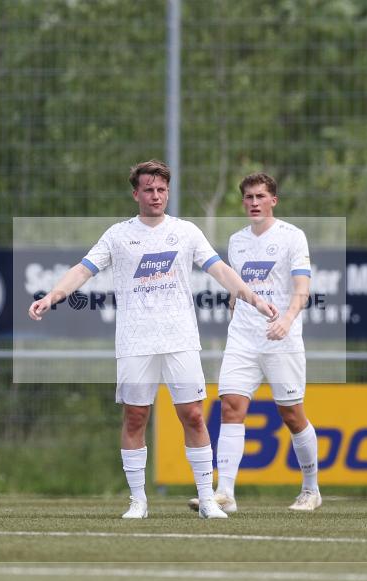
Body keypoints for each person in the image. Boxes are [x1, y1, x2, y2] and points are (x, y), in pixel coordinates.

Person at [29, 160, 278, 519]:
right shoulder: (118, 235)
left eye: (162, 189)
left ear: (168, 192)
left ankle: (207, 499)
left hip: (179, 338)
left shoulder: (186, 232)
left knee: (193, 415)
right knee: (135, 417)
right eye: (149, 189)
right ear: (136, 194)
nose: (156, 195)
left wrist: (252, 297)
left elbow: (220, 269)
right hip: (135, 341)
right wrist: (51, 296)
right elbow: (83, 269)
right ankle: (138, 501)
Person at [189, 172, 321, 513]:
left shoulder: (293, 237)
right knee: (231, 406)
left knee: (292, 415)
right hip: (243, 339)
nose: (254, 202)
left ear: (273, 200)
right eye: (248, 197)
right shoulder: (237, 241)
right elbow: (238, 286)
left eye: (260, 196)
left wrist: (287, 320)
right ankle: (226, 493)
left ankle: (311, 489)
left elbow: (302, 289)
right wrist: (235, 310)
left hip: (282, 338)